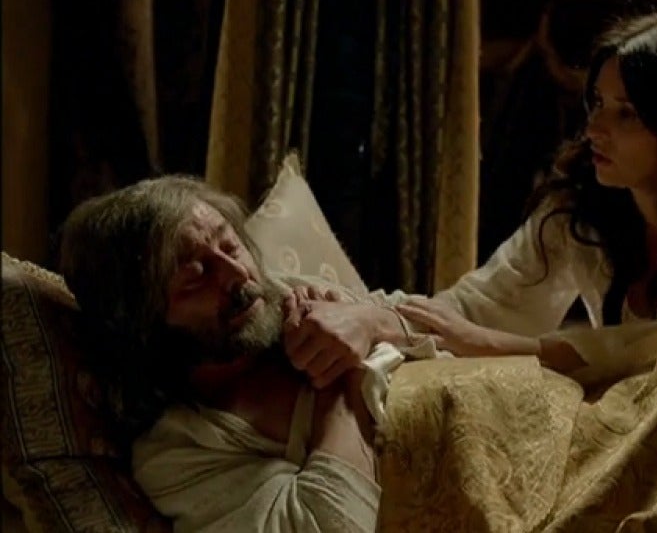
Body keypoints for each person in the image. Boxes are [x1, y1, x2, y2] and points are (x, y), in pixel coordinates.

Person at [397, 10, 657, 383]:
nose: (594, 128)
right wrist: (386, 322)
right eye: (597, 103)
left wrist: (487, 344)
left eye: (626, 113)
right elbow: (486, 302)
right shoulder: (584, 209)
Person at [57, 176, 437, 533]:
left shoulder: (290, 299)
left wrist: (373, 321)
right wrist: (338, 378)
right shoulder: (179, 453)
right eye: (196, 275)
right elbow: (328, 525)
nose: (236, 273)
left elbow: (443, 322)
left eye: (230, 245)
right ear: (144, 324)